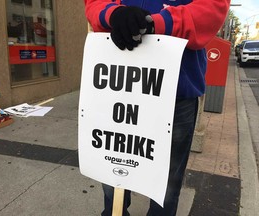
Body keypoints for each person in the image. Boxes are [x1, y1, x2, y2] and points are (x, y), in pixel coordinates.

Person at [84, 0, 230, 215]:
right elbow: (96, 3)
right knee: (113, 168)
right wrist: (113, 15)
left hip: (176, 94)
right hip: (117, 87)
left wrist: (153, 24)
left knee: (168, 181)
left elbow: (212, 8)